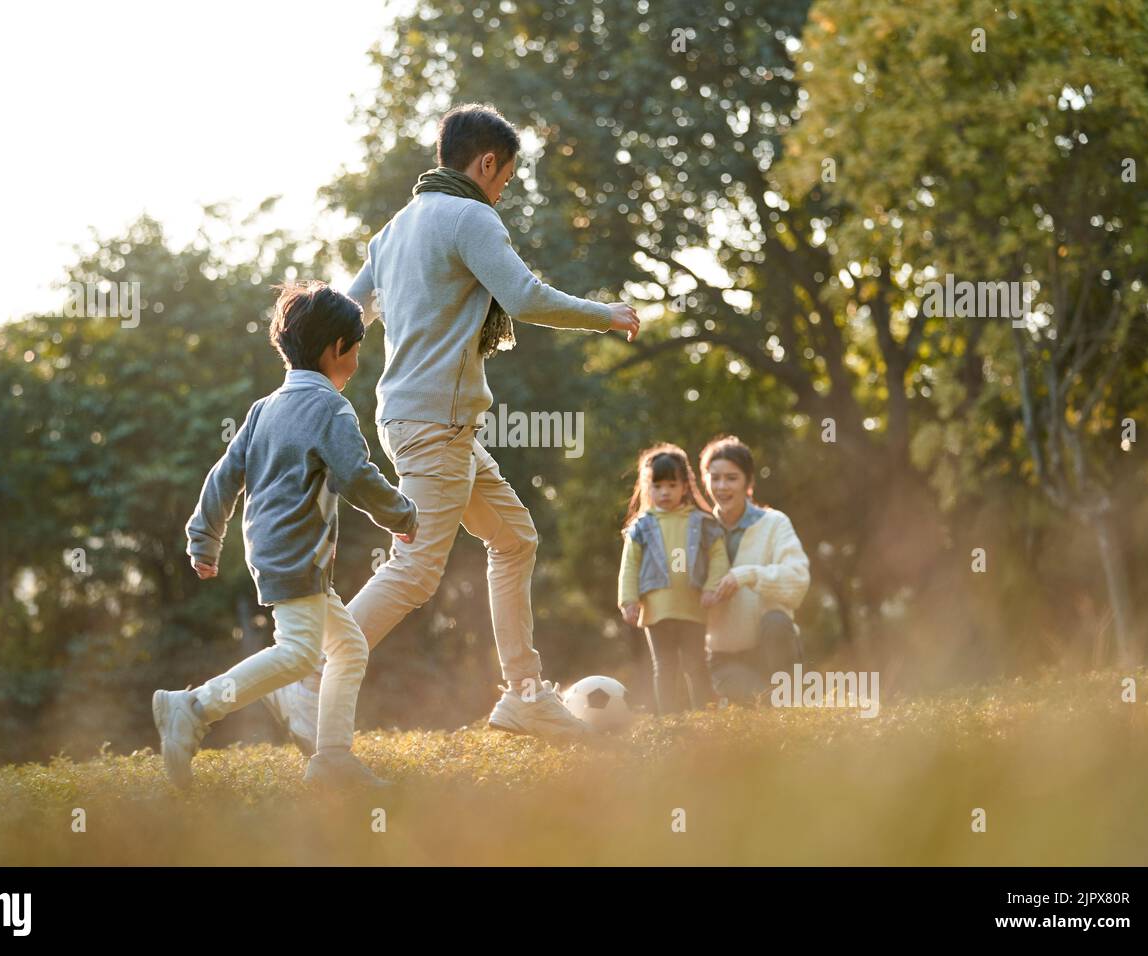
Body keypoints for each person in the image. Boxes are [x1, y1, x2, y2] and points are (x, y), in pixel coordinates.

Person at [264, 102, 641, 744]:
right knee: (412, 572)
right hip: (435, 423)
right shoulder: (471, 217)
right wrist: (606, 313)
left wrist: (302, 372)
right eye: (505, 180)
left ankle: (524, 694)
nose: (503, 193)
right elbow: (523, 298)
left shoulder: (396, 229)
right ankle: (305, 678)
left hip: (424, 419)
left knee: (515, 539)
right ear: (486, 162)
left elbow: (350, 312)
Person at [152, 282, 418, 790]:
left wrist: (203, 538)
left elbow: (222, 476)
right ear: (336, 348)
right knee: (297, 653)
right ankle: (194, 707)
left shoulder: (262, 409)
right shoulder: (330, 409)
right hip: (297, 551)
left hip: (279, 551)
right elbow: (356, 475)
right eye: (357, 351)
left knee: (349, 647)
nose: (357, 363)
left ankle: (333, 757)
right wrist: (402, 515)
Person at [618, 444, 730, 716]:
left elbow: (718, 557)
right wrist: (628, 600)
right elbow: (629, 564)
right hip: (657, 609)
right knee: (665, 666)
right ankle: (669, 721)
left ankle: (706, 717)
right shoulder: (642, 526)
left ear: (685, 486)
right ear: (647, 488)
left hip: (692, 606)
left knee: (696, 664)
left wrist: (712, 587)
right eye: (657, 486)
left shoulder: (701, 522)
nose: (665, 492)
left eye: (671, 484)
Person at [699, 436, 810, 701]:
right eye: (715, 478)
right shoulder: (698, 530)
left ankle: (793, 701)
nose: (722, 486)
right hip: (724, 657)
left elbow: (798, 581)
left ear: (749, 483)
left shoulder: (775, 523)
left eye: (731, 478)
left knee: (776, 621)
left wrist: (747, 575)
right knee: (759, 702)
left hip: (773, 646)